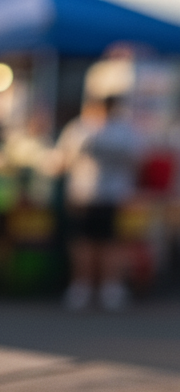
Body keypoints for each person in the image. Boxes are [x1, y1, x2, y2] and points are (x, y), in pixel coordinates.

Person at [57, 95, 144, 312]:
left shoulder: (89, 130)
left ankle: (101, 287)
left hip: (103, 195)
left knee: (101, 244)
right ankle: (90, 287)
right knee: (91, 243)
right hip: (91, 195)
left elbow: (61, 160)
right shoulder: (85, 129)